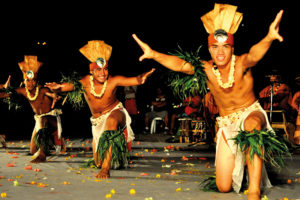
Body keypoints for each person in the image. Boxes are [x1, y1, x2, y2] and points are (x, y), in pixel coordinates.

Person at [133, 4, 288, 200]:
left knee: (251, 126)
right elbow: (180, 65)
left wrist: (268, 37)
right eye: (215, 47)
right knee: (223, 187)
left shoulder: (241, 64)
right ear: (209, 48)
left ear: (232, 47)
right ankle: (247, 166)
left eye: (225, 46)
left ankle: (254, 191)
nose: (220, 52)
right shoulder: (206, 68)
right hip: (226, 123)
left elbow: (254, 55)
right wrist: (154, 54)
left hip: (250, 113)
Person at [45, 40, 155, 179]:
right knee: (97, 161)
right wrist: (59, 87)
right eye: (98, 70)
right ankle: (110, 155)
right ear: (91, 71)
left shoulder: (114, 80)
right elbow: (68, 86)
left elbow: (134, 80)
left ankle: (105, 169)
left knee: (112, 120)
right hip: (97, 122)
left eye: (105, 69)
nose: (103, 73)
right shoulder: (85, 82)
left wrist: (141, 78)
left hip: (115, 113)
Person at [0, 56, 64, 163]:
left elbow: (52, 94)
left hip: (50, 119)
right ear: (24, 81)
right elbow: (6, 94)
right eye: (28, 80)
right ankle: (50, 143)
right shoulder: (23, 91)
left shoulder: (42, 90)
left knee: (42, 120)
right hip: (38, 120)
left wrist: (55, 96)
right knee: (32, 150)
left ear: (36, 81)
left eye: (33, 80)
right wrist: (3, 89)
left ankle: (43, 154)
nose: (31, 83)